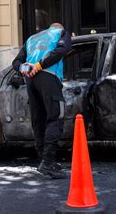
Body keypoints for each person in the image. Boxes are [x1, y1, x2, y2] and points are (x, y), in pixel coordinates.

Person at [12, 22, 71, 179]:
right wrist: (39, 65)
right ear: (59, 27)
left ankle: (43, 160)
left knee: (39, 119)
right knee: (56, 116)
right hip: (48, 76)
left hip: (31, 81)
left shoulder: (32, 38)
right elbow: (62, 50)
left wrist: (27, 69)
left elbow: (16, 62)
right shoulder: (61, 33)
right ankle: (48, 163)